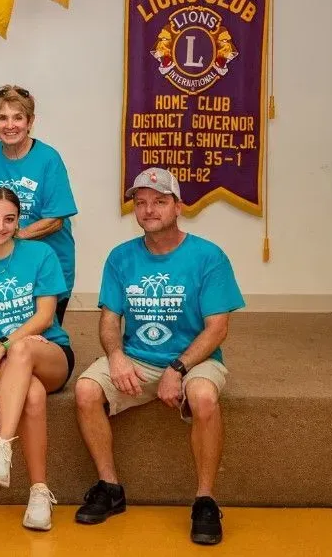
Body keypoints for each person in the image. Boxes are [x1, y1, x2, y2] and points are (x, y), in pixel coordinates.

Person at [73, 168, 244, 545]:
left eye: (160, 201)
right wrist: (115, 357)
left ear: (178, 206)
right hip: (136, 356)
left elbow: (217, 328)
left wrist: (177, 368)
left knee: (202, 397)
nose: (149, 210)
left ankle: (205, 500)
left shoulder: (208, 256)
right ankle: (110, 488)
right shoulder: (120, 257)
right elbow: (108, 320)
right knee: (86, 390)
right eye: (142, 202)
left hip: (194, 359)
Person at [0, 187, 74, 531]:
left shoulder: (40, 254)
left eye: (9, 219)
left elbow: (45, 317)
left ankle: (2, 447)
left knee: (22, 349)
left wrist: (3, 347)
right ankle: (38, 493)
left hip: (47, 354)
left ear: (19, 222)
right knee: (31, 394)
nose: (0, 226)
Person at [0, 85, 78, 332]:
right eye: (3, 117)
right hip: (1, 252)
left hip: (46, 258)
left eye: (18, 117)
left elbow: (55, 220)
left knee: (39, 337)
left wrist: (11, 235)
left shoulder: (48, 158)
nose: (10, 125)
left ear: (30, 121)